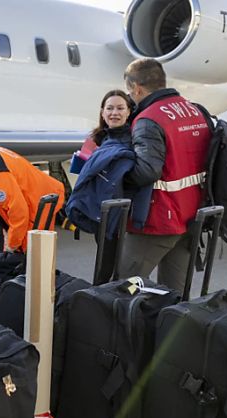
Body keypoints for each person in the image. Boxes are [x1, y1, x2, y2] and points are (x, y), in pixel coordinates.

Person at [116, 58, 211, 290]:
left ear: (136, 88)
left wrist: (117, 175)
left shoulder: (149, 119)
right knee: (174, 294)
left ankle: (128, 326)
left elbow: (148, 170)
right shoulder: (194, 111)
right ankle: (168, 326)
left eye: (130, 92)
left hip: (159, 221)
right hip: (191, 218)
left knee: (123, 287)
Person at [65, 90, 139, 283]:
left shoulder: (133, 140)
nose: (114, 113)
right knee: (104, 263)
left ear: (129, 111)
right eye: (110, 108)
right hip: (101, 210)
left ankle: (103, 302)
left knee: (110, 268)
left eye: (120, 108)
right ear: (102, 112)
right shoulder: (99, 138)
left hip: (118, 213)